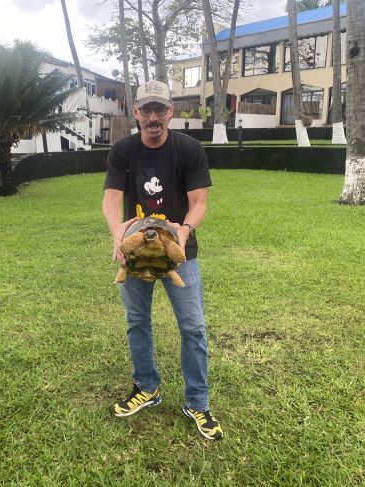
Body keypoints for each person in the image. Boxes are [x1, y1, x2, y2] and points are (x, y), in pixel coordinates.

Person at [102, 80, 222, 441]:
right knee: (137, 321)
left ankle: (197, 402)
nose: (153, 117)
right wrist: (116, 232)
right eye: (146, 110)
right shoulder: (122, 151)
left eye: (160, 109)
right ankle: (147, 386)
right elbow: (111, 199)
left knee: (193, 327)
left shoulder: (188, 149)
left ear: (171, 111)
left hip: (178, 249)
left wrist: (184, 230)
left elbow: (198, 201)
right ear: (135, 113)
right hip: (136, 251)